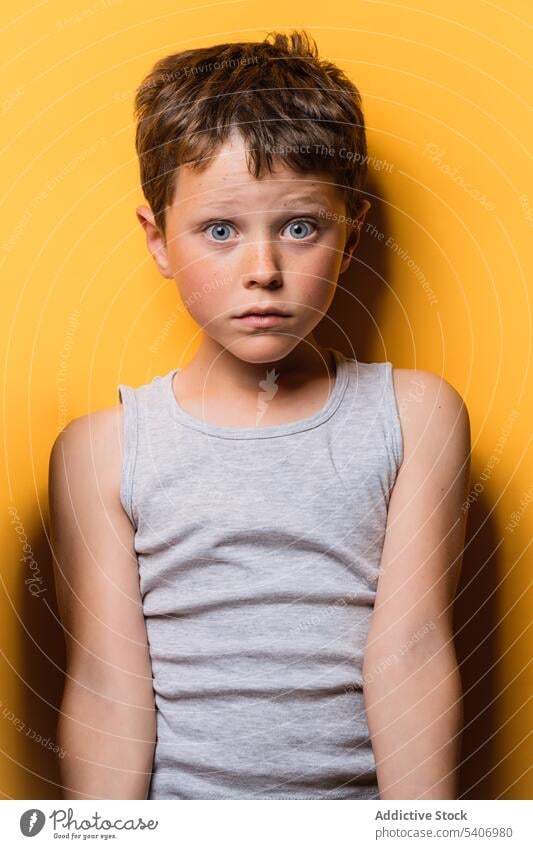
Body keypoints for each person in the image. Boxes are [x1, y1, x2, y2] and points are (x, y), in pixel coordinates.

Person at [48, 30, 471, 800]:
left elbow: (410, 651)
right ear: (158, 239)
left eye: (300, 226)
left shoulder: (415, 416)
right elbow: (109, 686)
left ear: (349, 233)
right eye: (219, 230)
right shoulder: (102, 450)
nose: (263, 271)